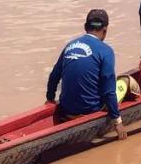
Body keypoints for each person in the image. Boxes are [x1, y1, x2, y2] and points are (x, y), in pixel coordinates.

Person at [46, 9, 126, 140]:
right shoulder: (106, 51)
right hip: (91, 109)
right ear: (105, 30)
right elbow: (109, 91)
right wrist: (118, 121)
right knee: (125, 83)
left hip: (66, 108)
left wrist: (50, 99)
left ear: (85, 27)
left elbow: (54, 76)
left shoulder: (70, 46)